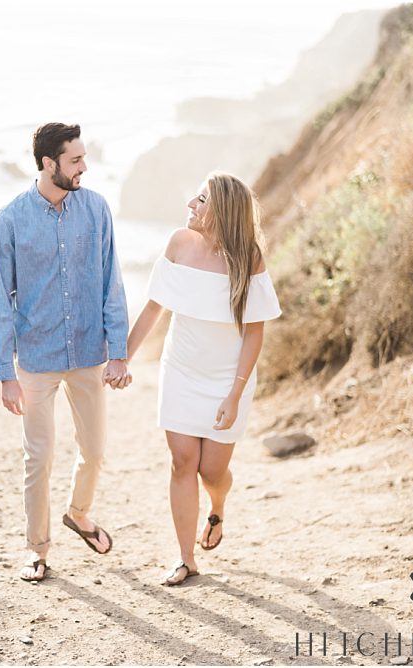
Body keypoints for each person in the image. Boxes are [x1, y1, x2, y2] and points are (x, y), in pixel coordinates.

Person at [0, 122, 131, 582]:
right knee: (39, 456)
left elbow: (112, 282)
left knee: (94, 450)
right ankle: (37, 548)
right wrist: (4, 372)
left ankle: (79, 512)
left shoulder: (96, 209)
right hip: (36, 359)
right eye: (75, 160)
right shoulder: (10, 221)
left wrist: (119, 351)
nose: (84, 167)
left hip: (89, 351)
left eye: (84, 158)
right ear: (49, 164)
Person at [125, 171, 281, 586]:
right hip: (180, 370)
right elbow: (153, 307)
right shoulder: (178, 244)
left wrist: (235, 392)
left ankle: (218, 505)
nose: (191, 206)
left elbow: (255, 330)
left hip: (228, 379)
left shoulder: (248, 258)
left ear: (222, 211)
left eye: (200, 200)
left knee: (212, 471)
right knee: (182, 462)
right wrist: (122, 358)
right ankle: (185, 557)